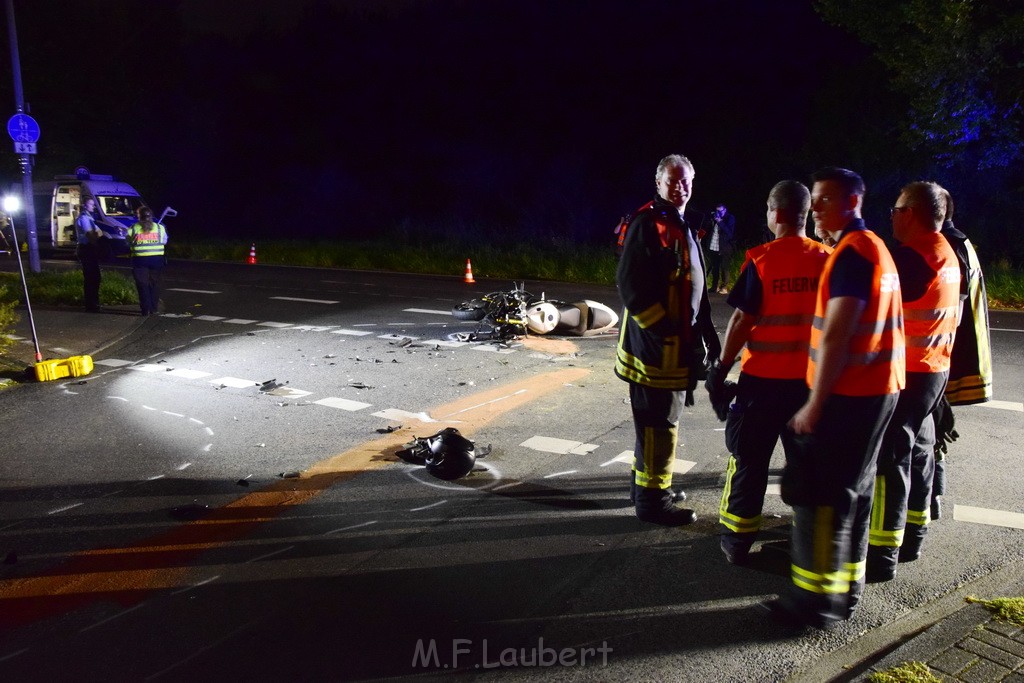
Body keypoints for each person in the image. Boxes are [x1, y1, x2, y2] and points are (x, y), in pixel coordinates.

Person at [772, 167, 905, 628]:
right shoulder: (876, 250)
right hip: (878, 389)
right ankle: (845, 593)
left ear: (853, 202)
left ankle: (814, 603)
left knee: (824, 496)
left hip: (851, 393)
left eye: (825, 199)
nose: (817, 209)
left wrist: (814, 404)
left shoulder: (850, 254)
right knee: (855, 492)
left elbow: (837, 335)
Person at [706, 181, 832, 565]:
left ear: (775, 213)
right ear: (806, 213)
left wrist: (721, 368)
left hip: (761, 384)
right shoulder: (829, 259)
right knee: (807, 467)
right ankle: (807, 544)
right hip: (809, 387)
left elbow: (744, 319)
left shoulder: (762, 260)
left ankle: (738, 542)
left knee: (749, 461)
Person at [615, 154, 720, 526]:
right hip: (654, 352)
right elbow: (631, 288)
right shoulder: (649, 224)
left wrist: (705, 337)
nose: (680, 187)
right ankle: (654, 503)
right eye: (673, 181)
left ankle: (646, 489)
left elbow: (695, 287)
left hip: (671, 348)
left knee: (655, 423)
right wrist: (666, 334)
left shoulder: (678, 223)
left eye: (686, 180)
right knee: (660, 426)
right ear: (658, 183)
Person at [866, 182, 960, 581]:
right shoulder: (945, 250)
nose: (891, 215)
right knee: (918, 452)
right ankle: (913, 535)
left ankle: (882, 552)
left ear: (912, 213)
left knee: (890, 458)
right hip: (933, 369)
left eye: (896, 208)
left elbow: (873, 303)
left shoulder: (915, 256)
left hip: (912, 371)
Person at [927, 190, 993, 521]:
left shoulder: (947, 246)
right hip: (956, 351)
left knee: (934, 428)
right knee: (934, 429)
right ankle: (931, 497)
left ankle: (932, 497)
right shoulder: (961, 242)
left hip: (947, 354)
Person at [126, 206, 168, 316]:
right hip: (156, 260)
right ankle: (153, 308)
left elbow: (128, 242)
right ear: (151, 216)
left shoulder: (133, 228)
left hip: (139, 260)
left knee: (142, 284)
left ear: (139, 216)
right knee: (154, 284)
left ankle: (145, 309)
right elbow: (164, 241)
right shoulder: (160, 228)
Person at [75, 196, 104, 313]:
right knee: (91, 277)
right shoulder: (84, 219)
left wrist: (96, 235)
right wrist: (95, 236)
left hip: (88, 249)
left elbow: (100, 232)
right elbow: (92, 236)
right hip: (86, 249)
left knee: (94, 277)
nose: (94, 206)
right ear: (85, 205)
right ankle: (91, 304)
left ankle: (93, 303)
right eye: (91, 204)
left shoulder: (89, 218)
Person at [704, 204, 736, 294]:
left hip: (724, 247)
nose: (719, 212)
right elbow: (708, 229)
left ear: (725, 210)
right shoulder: (714, 217)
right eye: (717, 210)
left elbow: (730, 233)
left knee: (724, 267)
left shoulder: (730, 218)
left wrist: (720, 222)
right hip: (713, 246)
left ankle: (724, 287)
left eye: (720, 211)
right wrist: (712, 220)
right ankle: (714, 287)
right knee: (715, 267)